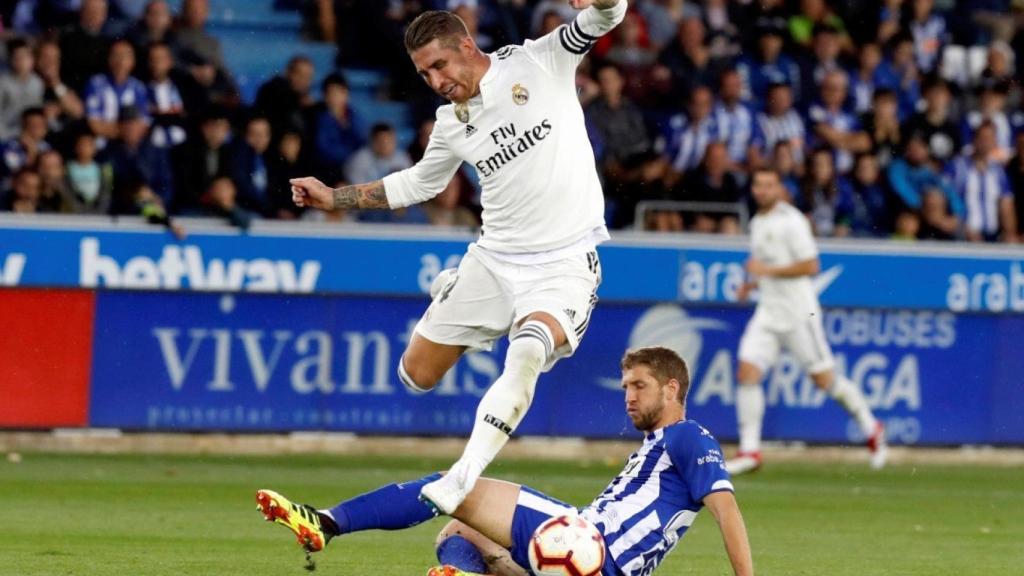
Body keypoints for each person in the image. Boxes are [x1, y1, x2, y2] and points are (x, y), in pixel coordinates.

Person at [288, 0, 626, 516]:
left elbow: (606, 16)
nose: (435, 81)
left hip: (563, 262)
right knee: (415, 375)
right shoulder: (450, 122)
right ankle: (472, 312)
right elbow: (420, 182)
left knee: (528, 351)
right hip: (493, 260)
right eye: (424, 73)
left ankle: (461, 475)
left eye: (440, 65)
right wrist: (336, 198)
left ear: (467, 46)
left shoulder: (538, 61)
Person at [256, 347, 754, 576]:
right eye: (624, 386)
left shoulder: (688, 435)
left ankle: (326, 522)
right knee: (456, 532)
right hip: (587, 556)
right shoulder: (656, 446)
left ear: (672, 389)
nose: (627, 396)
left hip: (593, 550)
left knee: (454, 487)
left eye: (638, 386)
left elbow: (727, 511)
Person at [727, 167, 888, 476]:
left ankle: (872, 426)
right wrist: (752, 284)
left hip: (799, 314)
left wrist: (767, 271)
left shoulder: (793, 221)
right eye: (758, 185)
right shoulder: (758, 222)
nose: (762, 190)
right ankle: (750, 451)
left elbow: (810, 265)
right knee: (747, 371)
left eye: (768, 185)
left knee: (824, 380)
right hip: (768, 312)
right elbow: (767, 266)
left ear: (779, 189)